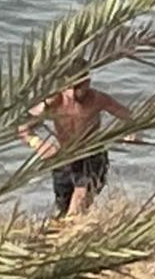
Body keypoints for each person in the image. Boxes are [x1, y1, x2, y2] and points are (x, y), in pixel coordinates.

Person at [17, 61, 136, 218]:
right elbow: (23, 128)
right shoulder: (54, 102)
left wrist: (131, 131)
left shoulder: (97, 99)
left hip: (91, 154)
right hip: (64, 158)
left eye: (80, 85)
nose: (74, 92)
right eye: (71, 86)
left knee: (80, 199)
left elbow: (128, 115)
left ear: (88, 81)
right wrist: (38, 143)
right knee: (64, 210)